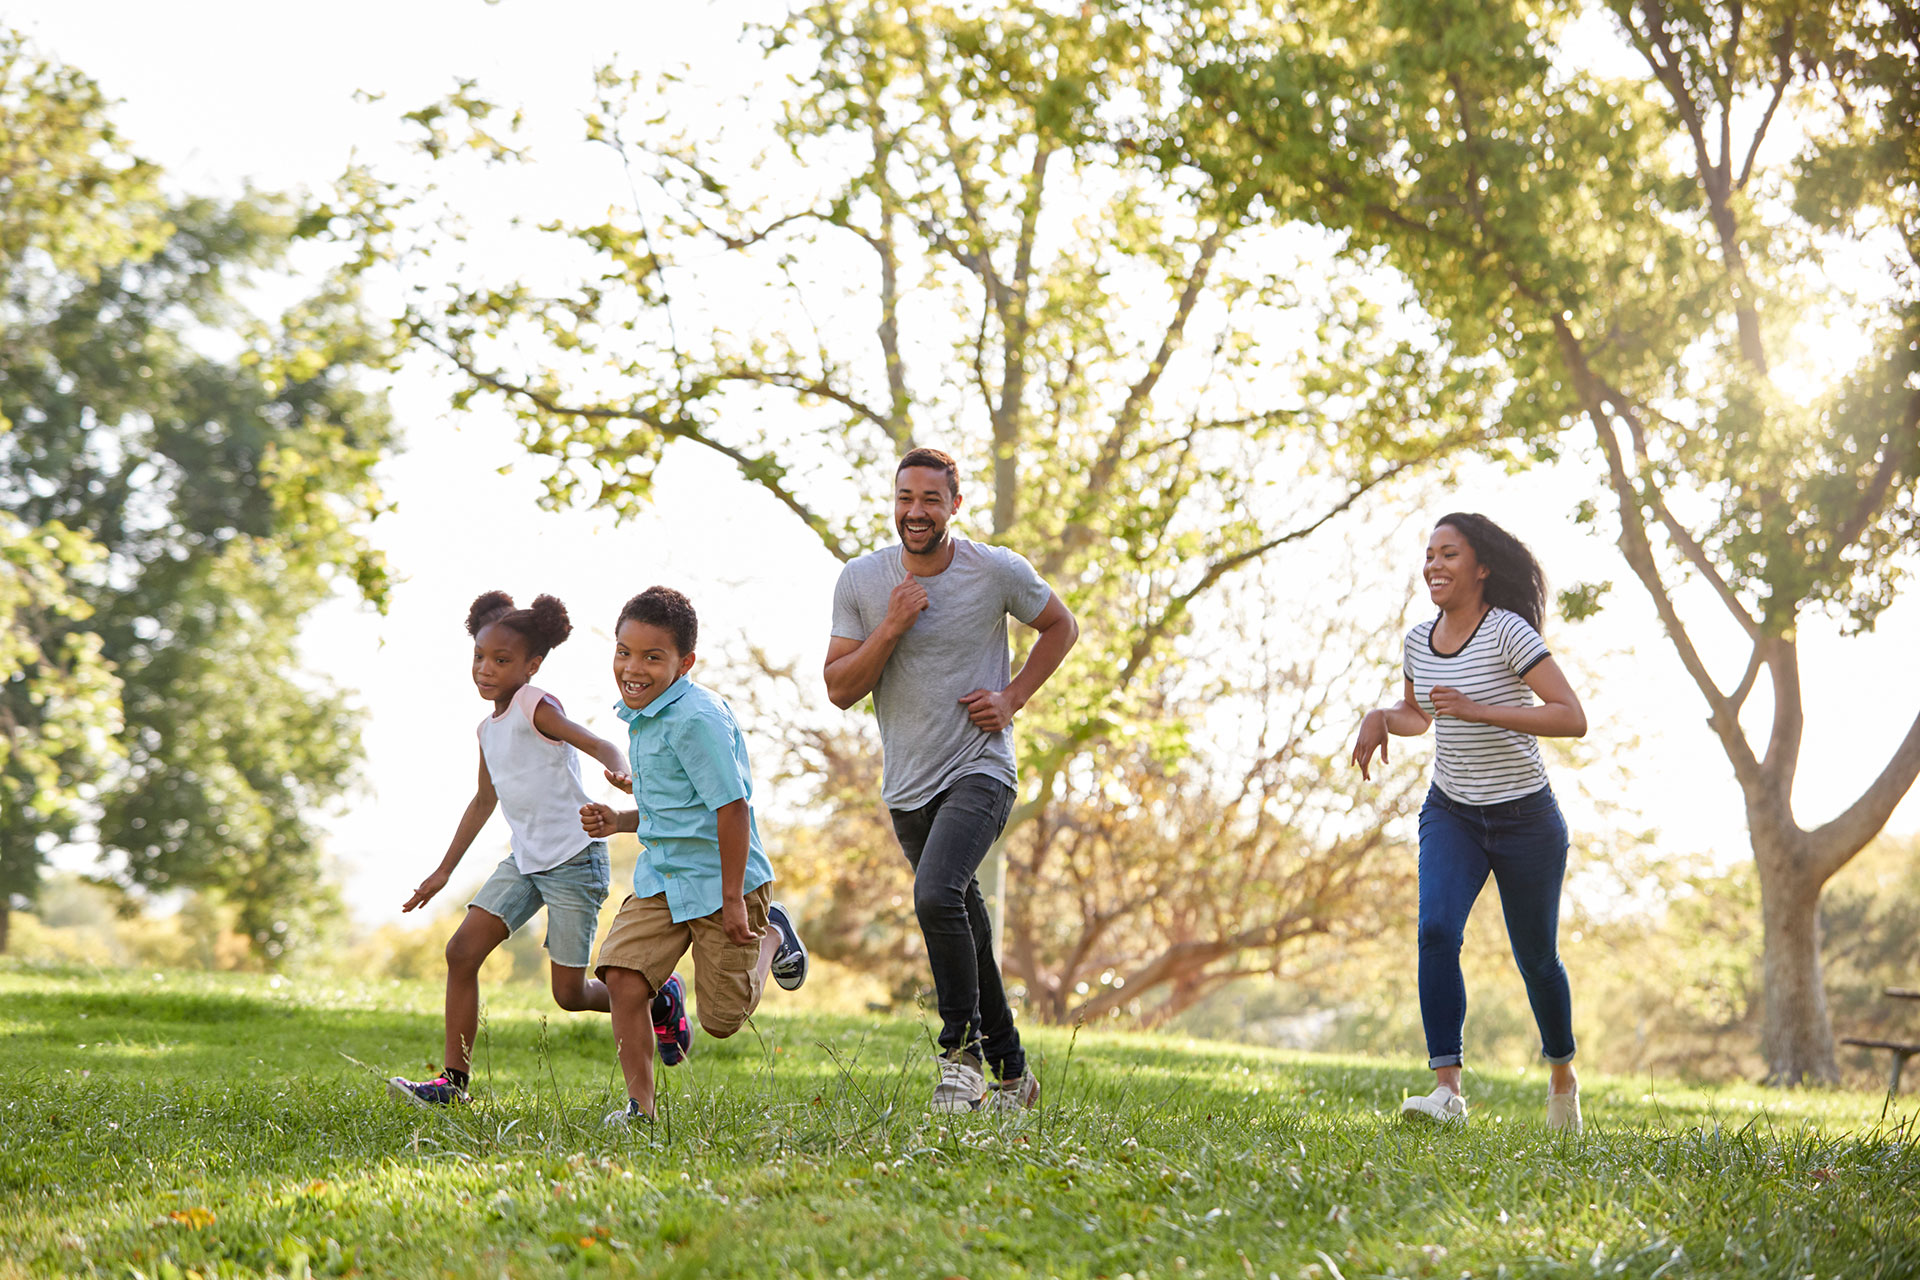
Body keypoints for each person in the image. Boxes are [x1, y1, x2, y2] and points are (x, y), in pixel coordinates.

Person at [824, 447, 1079, 1113]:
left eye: (931, 499)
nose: (916, 510)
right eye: (906, 496)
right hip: (908, 786)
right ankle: (1015, 1078)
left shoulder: (993, 570)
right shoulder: (862, 581)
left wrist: (1014, 697)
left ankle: (960, 1055)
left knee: (937, 894)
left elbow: (1060, 625)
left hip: (980, 768)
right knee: (964, 919)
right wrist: (892, 626)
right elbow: (839, 689)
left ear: (954, 506)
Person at [1350, 514, 1588, 1133]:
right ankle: (1447, 1091)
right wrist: (1383, 716)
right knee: (1435, 931)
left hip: (1528, 819)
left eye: (1448, 554)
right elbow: (1418, 714)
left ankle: (1562, 1073)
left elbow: (1570, 716)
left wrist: (1482, 710)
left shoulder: (1508, 632)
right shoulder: (1418, 640)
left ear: (1481, 568)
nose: (1434, 565)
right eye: (1429, 555)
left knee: (1536, 957)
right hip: (1453, 812)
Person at [388, 591, 632, 1107]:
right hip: (525, 862)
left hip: (573, 860)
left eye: (501, 660)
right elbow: (483, 800)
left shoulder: (534, 706)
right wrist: (442, 873)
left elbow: (600, 745)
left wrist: (620, 770)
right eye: (479, 657)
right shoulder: (487, 729)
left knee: (569, 995)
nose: (485, 669)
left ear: (531, 664)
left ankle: (656, 998)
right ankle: (452, 1086)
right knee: (461, 952)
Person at [582, 586, 808, 1126]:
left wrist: (734, 902)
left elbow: (731, 809)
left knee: (723, 1020)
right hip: (663, 877)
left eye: (652, 657)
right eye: (623, 652)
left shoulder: (695, 719)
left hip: (723, 882)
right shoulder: (644, 715)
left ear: (685, 663)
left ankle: (773, 933)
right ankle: (640, 1107)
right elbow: (676, 809)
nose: (632, 668)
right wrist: (621, 821)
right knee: (622, 978)